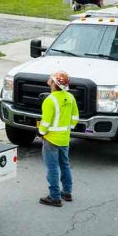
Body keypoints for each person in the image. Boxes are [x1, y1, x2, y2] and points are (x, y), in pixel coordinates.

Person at [38, 71, 78, 207]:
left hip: (51, 139)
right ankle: (67, 192)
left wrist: (41, 132)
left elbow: (46, 122)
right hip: (64, 138)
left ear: (54, 83)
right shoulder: (70, 97)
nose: (49, 80)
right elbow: (75, 118)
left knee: (52, 168)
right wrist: (67, 129)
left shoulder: (50, 100)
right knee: (65, 165)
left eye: (51, 79)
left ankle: (54, 197)